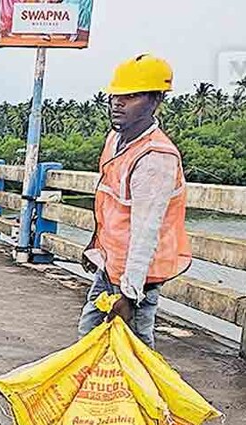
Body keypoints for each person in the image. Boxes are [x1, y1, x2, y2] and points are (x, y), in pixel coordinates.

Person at [79, 54, 191, 349]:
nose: (118, 103)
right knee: (90, 338)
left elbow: (145, 232)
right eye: (116, 96)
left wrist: (130, 296)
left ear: (154, 101)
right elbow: (108, 197)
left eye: (131, 97)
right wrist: (95, 245)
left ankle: (149, 396)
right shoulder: (115, 140)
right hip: (111, 265)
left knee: (136, 350)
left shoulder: (155, 158)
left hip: (138, 276)